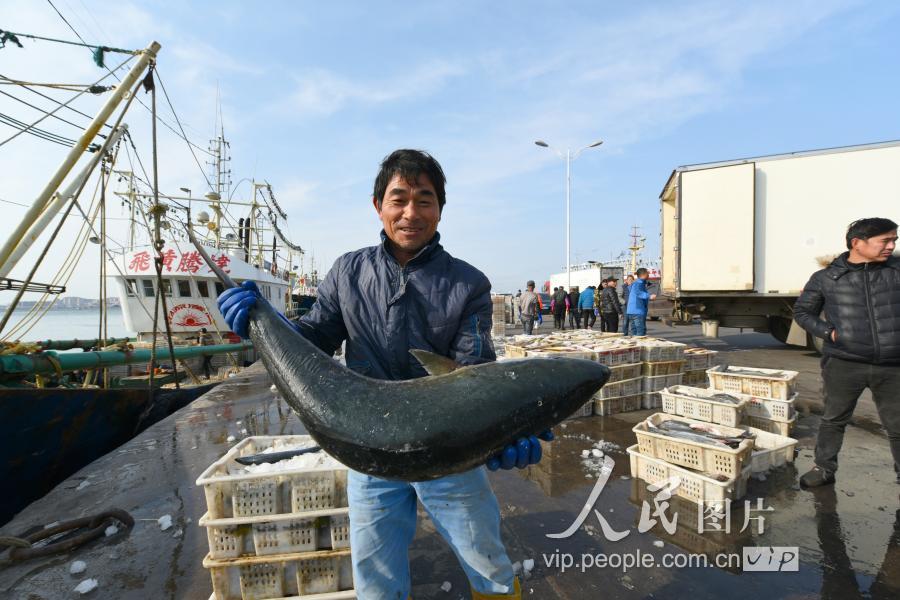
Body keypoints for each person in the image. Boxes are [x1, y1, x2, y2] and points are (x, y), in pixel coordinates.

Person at [218, 149, 549, 599]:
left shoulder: (469, 284)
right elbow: (313, 339)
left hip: (448, 451)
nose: (411, 212)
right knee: (375, 575)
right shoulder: (346, 272)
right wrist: (262, 323)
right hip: (369, 451)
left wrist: (503, 431)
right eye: (399, 199)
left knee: (486, 560)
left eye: (425, 199)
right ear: (379, 206)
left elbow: (474, 370)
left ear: (440, 209)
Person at [793, 217, 900, 488]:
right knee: (833, 419)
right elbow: (803, 312)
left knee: (897, 427)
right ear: (857, 243)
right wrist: (829, 333)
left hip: (893, 364)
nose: (891, 245)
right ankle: (824, 468)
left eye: (894, 240)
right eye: (885, 240)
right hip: (844, 362)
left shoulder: (897, 270)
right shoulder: (826, 277)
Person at [623, 268, 656, 336]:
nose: (648, 275)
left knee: (634, 332)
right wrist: (649, 296)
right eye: (647, 273)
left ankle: (635, 345)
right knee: (640, 332)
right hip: (637, 311)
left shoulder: (635, 283)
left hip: (631, 311)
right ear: (644, 274)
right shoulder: (639, 283)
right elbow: (638, 292)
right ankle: (639, 346)